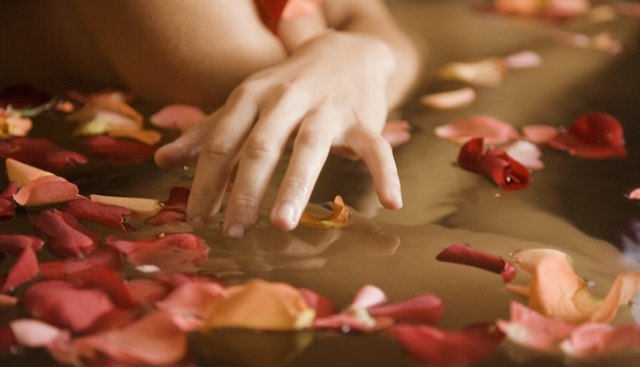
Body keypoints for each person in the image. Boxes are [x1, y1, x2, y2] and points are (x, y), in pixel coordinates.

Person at [1, 0, 421, 237]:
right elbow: (243, 82)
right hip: (113, 191)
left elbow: (371, 25)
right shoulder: (210, 36)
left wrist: (365, 54)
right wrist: (361, 54)